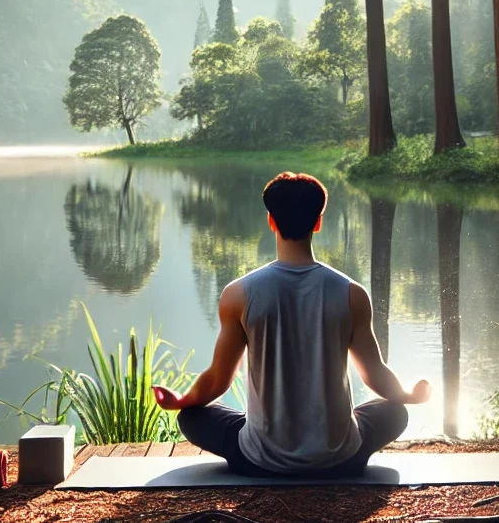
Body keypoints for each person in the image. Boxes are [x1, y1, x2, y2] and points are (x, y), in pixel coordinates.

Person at [153, 171, 431, 477]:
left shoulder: (239, 294)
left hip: (260, 460)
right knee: (395, 411)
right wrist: (408, 396)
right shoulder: (351, 294)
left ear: (271, 221)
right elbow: (374, 374)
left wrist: (181, 401)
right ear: (318, 222)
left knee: (190, 418)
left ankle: (263, 440)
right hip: (340, 459)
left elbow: (218, 380)